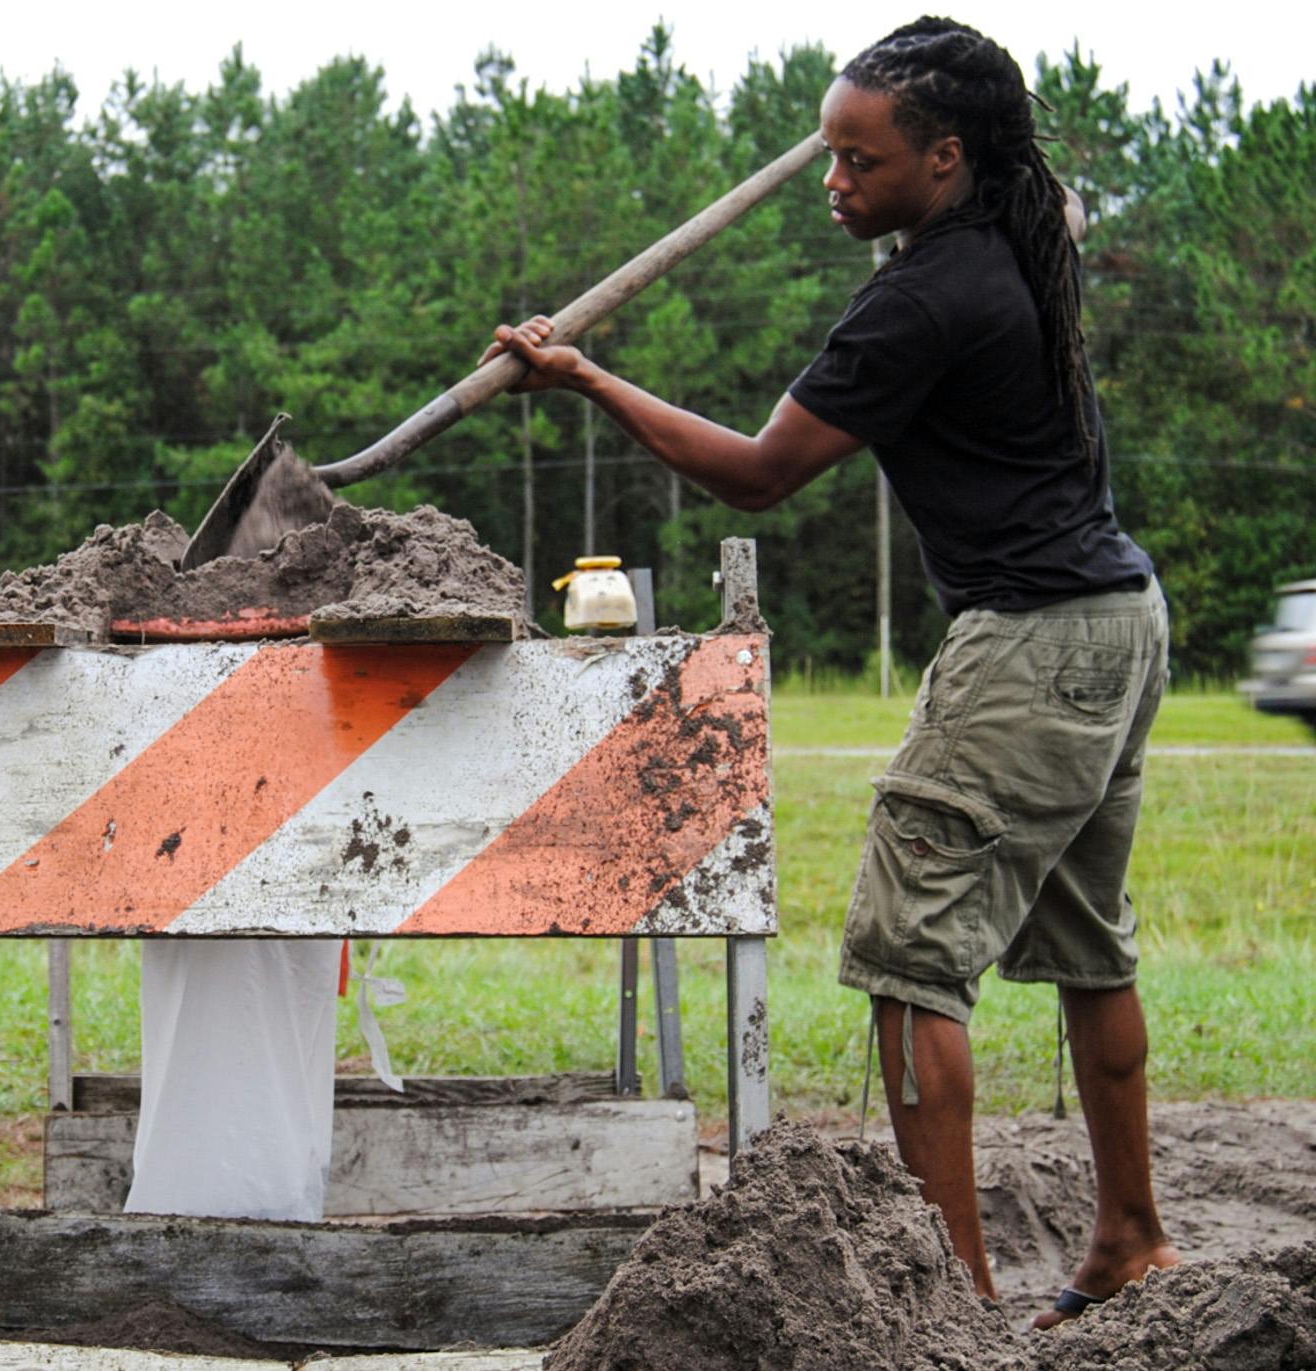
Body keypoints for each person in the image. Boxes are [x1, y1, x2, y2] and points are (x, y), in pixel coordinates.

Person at [485, 16, 1179, 1327]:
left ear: (947, 160)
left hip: (1033, 636)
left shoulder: (924, 300)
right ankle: (1131, 1237)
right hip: (1118, 618)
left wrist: (585, 378)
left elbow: (762, 470)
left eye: (862, 161)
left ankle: (955, 1305)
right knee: (1090, 943)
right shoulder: (1023, 228)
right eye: (829, 152)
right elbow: (1048, 188)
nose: (832, 183)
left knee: (911, 954)